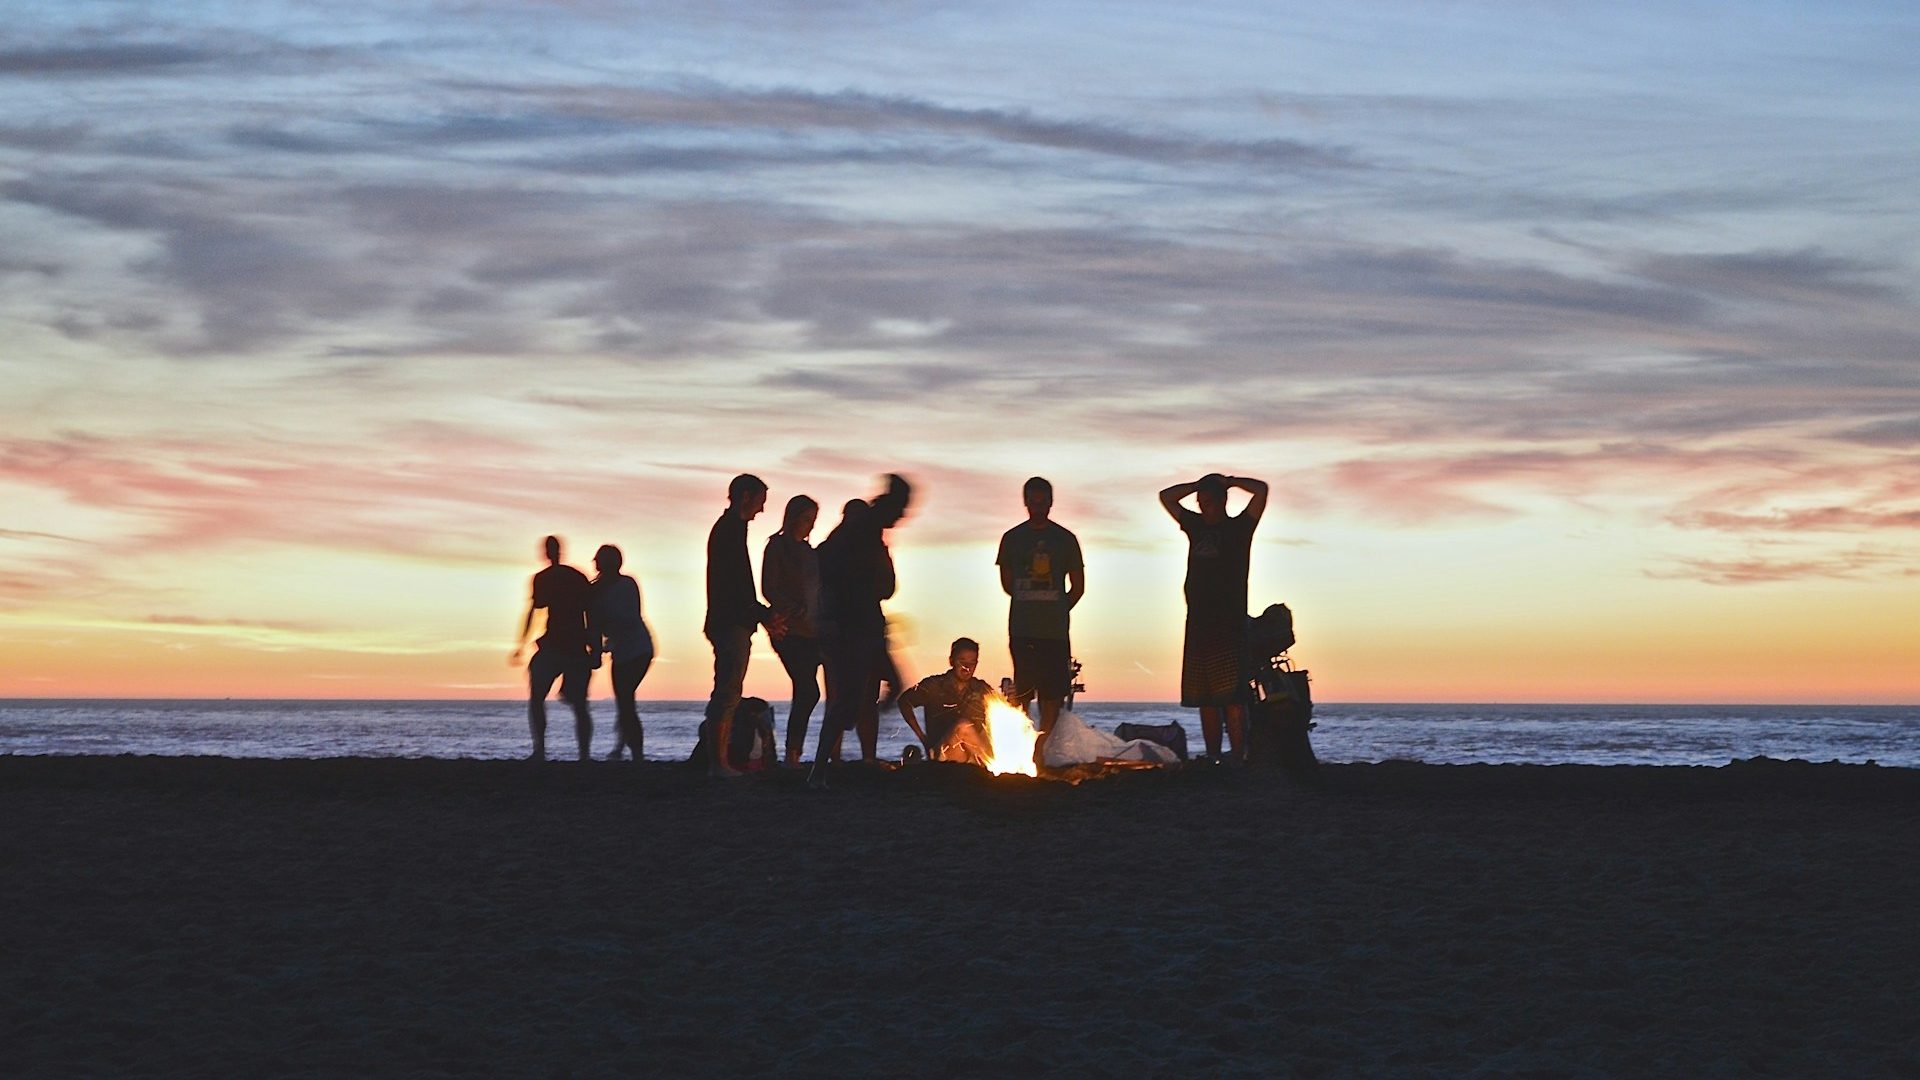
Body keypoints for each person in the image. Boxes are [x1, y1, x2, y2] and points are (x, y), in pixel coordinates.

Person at [810, 475, 912, 788]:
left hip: (866, 625)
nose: (903, 517)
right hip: (853, 628)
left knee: (892, 686)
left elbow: (886, 586)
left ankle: (851, 723)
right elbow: (831, 569)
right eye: (902, 509)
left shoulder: (869, 535)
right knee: (847, 701)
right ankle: (819, 770)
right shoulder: (860, 531)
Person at [1158, 473, 1269, 762]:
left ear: (1222, 501)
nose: (1203, 506)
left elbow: (1261, 491)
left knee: (1233, 697)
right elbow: (1166, 496)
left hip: (1229, 622)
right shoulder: (1194, 526)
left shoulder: (1240, 528)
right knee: (1204, 697)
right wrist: (1196, 485)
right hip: (1198, 622)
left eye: (1208, 501)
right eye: (1200, 501)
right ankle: (1213, 755)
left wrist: (1230, 480)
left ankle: (1239, 755)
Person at [996, 476, 1084, 764]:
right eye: (1032, 502)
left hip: (1055, 631)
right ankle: (1023, 745)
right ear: (1025, 502)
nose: (1038, 507)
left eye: (1043, 502)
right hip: (1022, 628)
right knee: (1023, 691)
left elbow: (1078, 586)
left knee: (1053, 693)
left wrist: (1059, 607)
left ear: (1051, 502)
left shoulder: (1066, 539)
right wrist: (1030, 598)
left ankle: (1041, 751)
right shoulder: (1012, 538)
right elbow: (1007, 583)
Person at [704, 474, 787, 778]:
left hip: (732, 620)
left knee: (729, 690)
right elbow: (735, 587)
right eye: (760, 502)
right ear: (745, 497)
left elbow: (739, 588)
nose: (762, 510)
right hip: (730, 622)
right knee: (727, 691)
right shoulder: (729, 531)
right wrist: (762, 615)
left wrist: (761, 616)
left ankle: (720, 762)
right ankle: (719, 764)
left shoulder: (732, 530)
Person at [510, 535, 596, 761]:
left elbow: (534, 610)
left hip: (566, 645)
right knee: (572, 703)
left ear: (548, 553)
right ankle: (567, 753)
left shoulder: (549, 578)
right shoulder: (573, 577)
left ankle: (545, 750)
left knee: (551, 700)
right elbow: (591, 614)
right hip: (566, 645)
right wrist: (594, 646)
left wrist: (521, 643)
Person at [762, 494, 822, 766]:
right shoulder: (777, 547)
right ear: (793, 517)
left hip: (813, 631)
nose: (809, 525)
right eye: (806, 519)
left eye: (813, 520)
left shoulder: (811, 553)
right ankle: (792, 753)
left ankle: (795, 754)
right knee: (808, 690)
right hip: (788, 629)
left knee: (807, 690)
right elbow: (768, 587)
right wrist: (790, 607)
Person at [590, 544, 654, 761]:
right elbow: (594, 625)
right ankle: (622, 747)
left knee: (626, 700)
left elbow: (629, 616)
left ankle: (635, 752)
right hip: (621, 650)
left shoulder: (626, 584)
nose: (595, 564)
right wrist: (598, 650)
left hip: (638, 649)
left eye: (598, 559)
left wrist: (601, 645)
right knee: (624, 701)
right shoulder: (595, 590)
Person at [896, 637, 995, 766]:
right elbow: (904, 702)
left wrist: (1010, 695)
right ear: (951, 661)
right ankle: (995, 766)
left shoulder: (981, 688)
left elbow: (1005, 710)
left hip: (975, 754)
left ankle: (993, 764)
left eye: (972, 662)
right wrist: (923, 739)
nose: (967, 667)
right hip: (945, 753)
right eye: (962, 661)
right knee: (963, 727)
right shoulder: (934, 686)